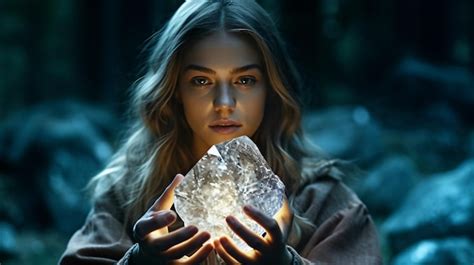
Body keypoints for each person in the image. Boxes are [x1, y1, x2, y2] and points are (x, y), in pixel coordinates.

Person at [60, 0, 382, 264]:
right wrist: (138, 263)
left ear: (272, 90)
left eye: (245, 80)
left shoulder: (322, 200)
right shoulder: (127, 192)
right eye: (201, 81)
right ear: (173, 91)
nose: (224, 103)